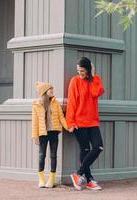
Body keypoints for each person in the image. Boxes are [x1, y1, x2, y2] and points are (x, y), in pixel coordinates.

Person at [66, 57, 105, 191]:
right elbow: (71, 102)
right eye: (78, 71)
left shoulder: (95, 80)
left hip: (92, 121)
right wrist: (70, 122)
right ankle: (89, 180)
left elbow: (97, 92)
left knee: (98, 147)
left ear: (88, 70)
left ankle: (78, 174)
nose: (80, 73)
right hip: (79, 122)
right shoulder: (75, 81)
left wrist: (93, 76)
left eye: (82, 71)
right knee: (86, 150)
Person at [32, 82, 68, 188]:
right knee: (42, 155)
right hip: (43, 134)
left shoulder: (56, 103)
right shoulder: (36, 105)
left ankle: (51, 179)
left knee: (53, 155)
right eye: (50, 89)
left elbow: (61, 117)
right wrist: (35, 136)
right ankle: (41, 179)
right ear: (44, 91)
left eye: (52, 88)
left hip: (54, 132)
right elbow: (35, 122)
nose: (52, 90)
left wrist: (68, 127)